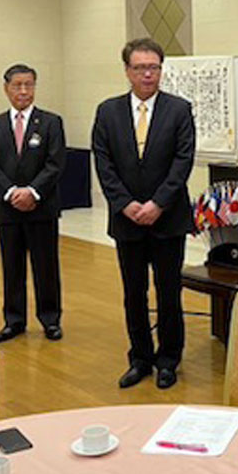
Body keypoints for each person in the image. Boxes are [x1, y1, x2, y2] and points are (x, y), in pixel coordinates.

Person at [92, 38, 196, 390]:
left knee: (169, 293)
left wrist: (158, 203)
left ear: (161, 70)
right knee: (133, 293)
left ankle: (168, 360)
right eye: (140, 68)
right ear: (127, 71)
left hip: (168, 219)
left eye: (153, 67)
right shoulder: (108, 111)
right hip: (127, 220)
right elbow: (103, 162)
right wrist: (125, 203)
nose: (147, 74)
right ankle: (140, 358)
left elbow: (183, 161)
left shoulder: (179, 110)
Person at [0, 63, 66, 342]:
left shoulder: (51, 122)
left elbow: (55, 163)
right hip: (7, 210)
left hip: (42, 208)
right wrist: (11, 193)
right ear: (6, 88)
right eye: (17, 85)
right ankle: (14, 321)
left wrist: (32, 192)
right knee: (12, 267)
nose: (23, 91)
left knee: (46, 267)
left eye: (29, 85)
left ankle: (50, 319)